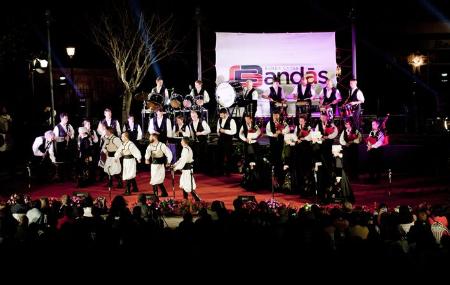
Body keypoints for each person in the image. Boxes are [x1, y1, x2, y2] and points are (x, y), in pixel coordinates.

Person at [266, 109, 289, 188]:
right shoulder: (270, 123)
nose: (275, 117)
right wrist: (273, 134)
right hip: (273, 145)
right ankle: (273, 180)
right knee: (274, 161)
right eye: (274, 116)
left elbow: (287, 129)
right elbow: (267, 131)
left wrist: (281, 132)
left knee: (280, 161)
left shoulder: (283, 122)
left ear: (279, 116)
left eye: (276, 116)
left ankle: (280, 179)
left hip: (281, 144)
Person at [144, 133, 172, 198]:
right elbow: (147, 153)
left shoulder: (161, 145)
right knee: (154, 179)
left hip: (160, 165)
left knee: (158, 179)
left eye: (150, 137)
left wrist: (168, 161)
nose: (149, 138)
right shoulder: (150, 146)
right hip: (153, 165)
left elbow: (169, 153)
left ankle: (159, 194)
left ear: (155, 137)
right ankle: (158, 194)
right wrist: (146, 159)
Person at [173, 137, 200, 201]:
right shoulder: (186, 148)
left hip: (187, 170)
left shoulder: (186, 149)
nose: (181, 142)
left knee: (188, 186)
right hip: (185, 170)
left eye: (181, 141)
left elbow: (183, 161)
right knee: (184, 184)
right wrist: (175, 165)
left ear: (185, 142)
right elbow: (181, 159)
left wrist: (176, 168)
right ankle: (185, 199)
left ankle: (197, 199)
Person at [239, 113, 261, 188]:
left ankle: (256, 177)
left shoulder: (255, 125)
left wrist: (254, 137)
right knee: (248, 159)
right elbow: (240, 134)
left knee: (255, 159)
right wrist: (245, 139)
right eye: (245, 119)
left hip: (254, 144)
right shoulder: (243, 126)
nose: (246, 120)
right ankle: (248, 177)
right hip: (247, 144)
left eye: (248, 119)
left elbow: (259, 132)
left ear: (251, 119)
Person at [53, 112, 76, 180]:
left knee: (69, 161)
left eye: (67, 118)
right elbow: (55, 138)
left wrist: (71, 135)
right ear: (61, 119)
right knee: (62, 162)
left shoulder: (69, 126)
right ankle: (61, 177)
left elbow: (73, 135)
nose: (67, 120)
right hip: (61, 147)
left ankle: (69, 176)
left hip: (69, 146)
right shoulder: (57, 127)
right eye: (65, 118)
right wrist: (64, 138)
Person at [216, 108, 237, 176]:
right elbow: (218, 129)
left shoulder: (231, 120)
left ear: (225, 114)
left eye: (222, 115)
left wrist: (224, 131)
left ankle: (229, 171)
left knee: (228, 156)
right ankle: (221, 171)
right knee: (220, 156)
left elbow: (234, 131)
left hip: (228, 141)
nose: (220, 116)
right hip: (220, 140)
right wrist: (219, 133)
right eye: (220, 115)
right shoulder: (219, 120)